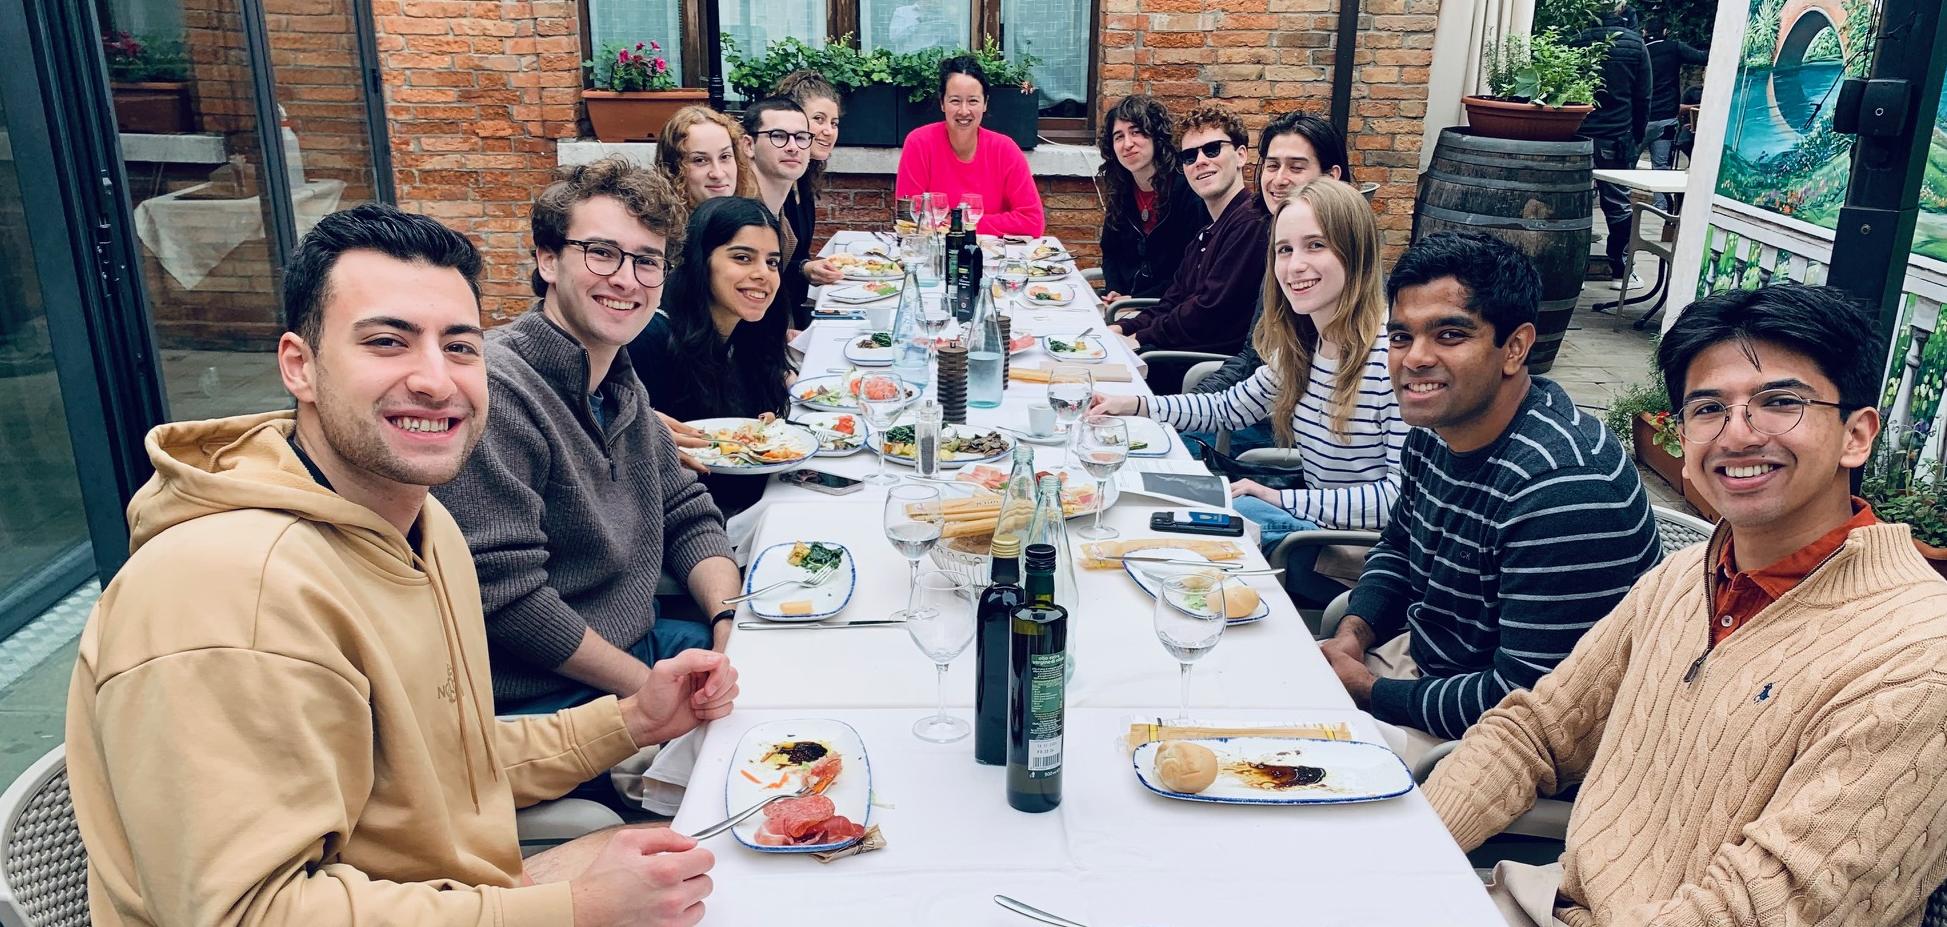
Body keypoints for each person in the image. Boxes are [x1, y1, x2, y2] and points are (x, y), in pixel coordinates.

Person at [66, 203, 738, 925]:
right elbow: (247, 912)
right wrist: (564, 908)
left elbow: (441, 763)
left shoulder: (423, 525)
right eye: (388, 342)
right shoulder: (223, 593)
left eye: (459, 346)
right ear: (300, 365)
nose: (433, 380)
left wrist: (631, 720)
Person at [1425, 284, 1947, 927]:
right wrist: (1399, 855)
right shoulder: (1681, 581)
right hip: (1548, 901)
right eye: (1708, 408)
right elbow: (1535, 731)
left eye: (1780, 402)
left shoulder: (1920, 660)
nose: (1738, 434)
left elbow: (1767, 909)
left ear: (1856, 436)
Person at [1320, 230, 1660, 763]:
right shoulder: (1437, 429)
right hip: (1430, 674)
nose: (1415, 359)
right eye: (1402, 336)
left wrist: (1369, 693)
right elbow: (1399, 550)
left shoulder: (1560, 488)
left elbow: (1529, 699)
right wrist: (1352, 635)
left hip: (1503, 743)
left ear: (1516, 347)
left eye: (1449, 335)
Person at [432, 158, 743, 718]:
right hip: (548, 698)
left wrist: (729, 623)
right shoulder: (497, 390)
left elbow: (686, 511)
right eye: (601, 253)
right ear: (547, 260)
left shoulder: (619, 381)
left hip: (643, 647)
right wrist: (649, 688)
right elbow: (508, 599)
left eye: (647, 261)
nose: (626, 279)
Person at [1091, 178, 1405, 585]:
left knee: (1182, 525)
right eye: (1284, 250)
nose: (1295, 266)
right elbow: (1229, 406)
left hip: (1358, 557)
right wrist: (1135, 405)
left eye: (1316, 245)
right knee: (1164, 501)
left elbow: (1399, 499)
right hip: (1309, 525)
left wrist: (1279, 498)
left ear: (1356, 253)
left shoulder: (1389, 360)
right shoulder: (1308, 342)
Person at [1181, 110, 1355, 456]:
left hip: (1287, 440)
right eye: (1272, 165)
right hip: (1257, 407)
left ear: (1332, 177)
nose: (1279, 179)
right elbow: (1257, 357)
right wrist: (1192, 403)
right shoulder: (1279, 248)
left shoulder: (1340, 265)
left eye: (1296, 166)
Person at [629, 196, 791, 516]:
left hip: (746, 506)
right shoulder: (650, 339)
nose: (763, 274)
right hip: (681, 525)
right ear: (702, 261)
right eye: (743, 257)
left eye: (772, 262)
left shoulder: (747, 334)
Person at [1107, 103, 1270, 371]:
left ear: (1241, 155)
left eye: (1213, 149)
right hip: (1171, 349)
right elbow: (1172, 301)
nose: (1201, 161)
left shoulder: (1250, 223)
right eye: (1189, 156)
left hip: (1199, 368)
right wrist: (1121, 327)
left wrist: (1137, 339)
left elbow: (1209, 312)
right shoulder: (1208, 231)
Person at [893, 55, 1045, 237]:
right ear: (942, 103)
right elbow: (908, 219)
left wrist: (959, 223)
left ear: (985, 104)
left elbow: (1032, 221)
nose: (964, 111)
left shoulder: (1005, 150)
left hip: (991, 257)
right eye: (955, 101)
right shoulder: (919, 144)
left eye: (973, 101)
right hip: (933, 254)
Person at [1571, 1, 1653, 290]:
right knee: (1618, 205)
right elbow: (1643, 97)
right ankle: (1620, 272)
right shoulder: (1634, 44)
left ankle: (1572, 274)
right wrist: (1638, 135)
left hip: (1577, 135)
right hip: (1617, 137)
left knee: (1576, 207)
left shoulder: (1578, 38)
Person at [1096, 95, 1204, 305]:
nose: (1127, 144)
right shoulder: (1121, 189)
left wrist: (1136, 300)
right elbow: (1110, 252)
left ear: (1156, 136)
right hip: (1124, 306)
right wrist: (1114, 289)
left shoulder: (1187, 189)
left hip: (1170, 308)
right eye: (1118, 136)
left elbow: (1190, 269)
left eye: (1136, 132)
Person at [774, 70, 845, 328]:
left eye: (834, 123)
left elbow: (794, 256)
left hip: (791, 314)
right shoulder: (773, 184)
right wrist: (805, 268)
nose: (828, 131)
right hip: (774, 322)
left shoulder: (804, 179)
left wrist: (806, 267)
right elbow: (769, 265)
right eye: (819, 119)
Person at [740, 97, 814, 327]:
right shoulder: (740, 216)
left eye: (801, 137)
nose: (793, 147)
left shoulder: (780, 217)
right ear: (748, 146)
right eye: (779, 136)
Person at [1644, 20, 1709, 205]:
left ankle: (1622, 208)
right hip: (1665, 119)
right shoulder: (1674, 48)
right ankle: (1662, 208)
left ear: (1644, 31)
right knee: (1661, 166)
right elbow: (1703, 57)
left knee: (1627, 164)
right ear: (1665, 31)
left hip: (1640, 120)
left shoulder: (1639, 50)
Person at [655, 104, 757, 209]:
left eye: (725, 157)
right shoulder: (656, 224)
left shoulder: (756, 219)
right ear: (673, 168)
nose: (718, 174)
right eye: (700, 160)